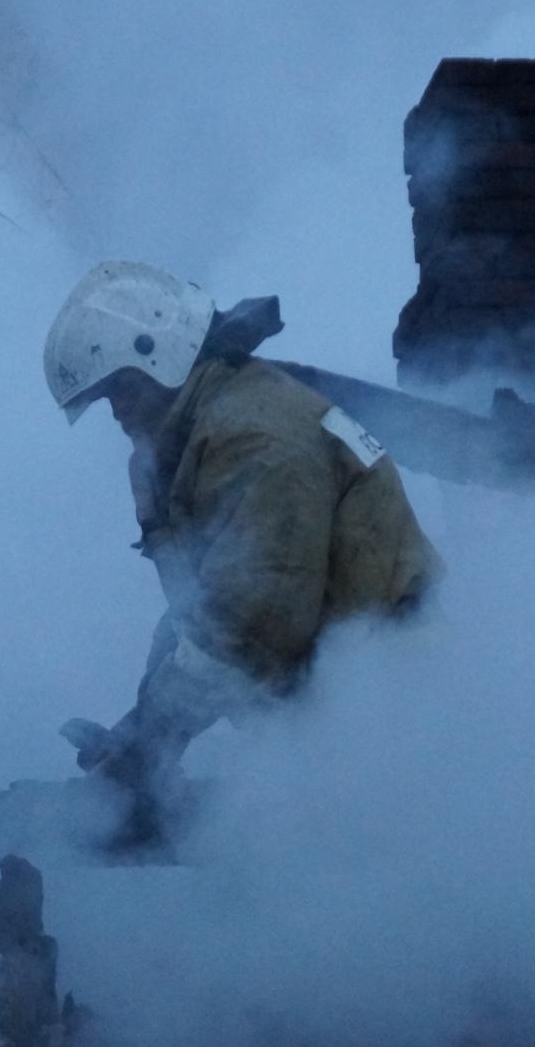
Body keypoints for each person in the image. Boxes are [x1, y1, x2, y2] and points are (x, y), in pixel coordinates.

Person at [44, 260, 442, 828]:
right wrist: (141, 728)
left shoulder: (257, 439)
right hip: (338, 703)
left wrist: (150, 743)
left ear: (164, 353)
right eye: (108, 401)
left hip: (393, 706)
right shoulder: (193, 436)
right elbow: (199, 609)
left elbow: (253, 620)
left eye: (124, 391)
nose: (119, 416)